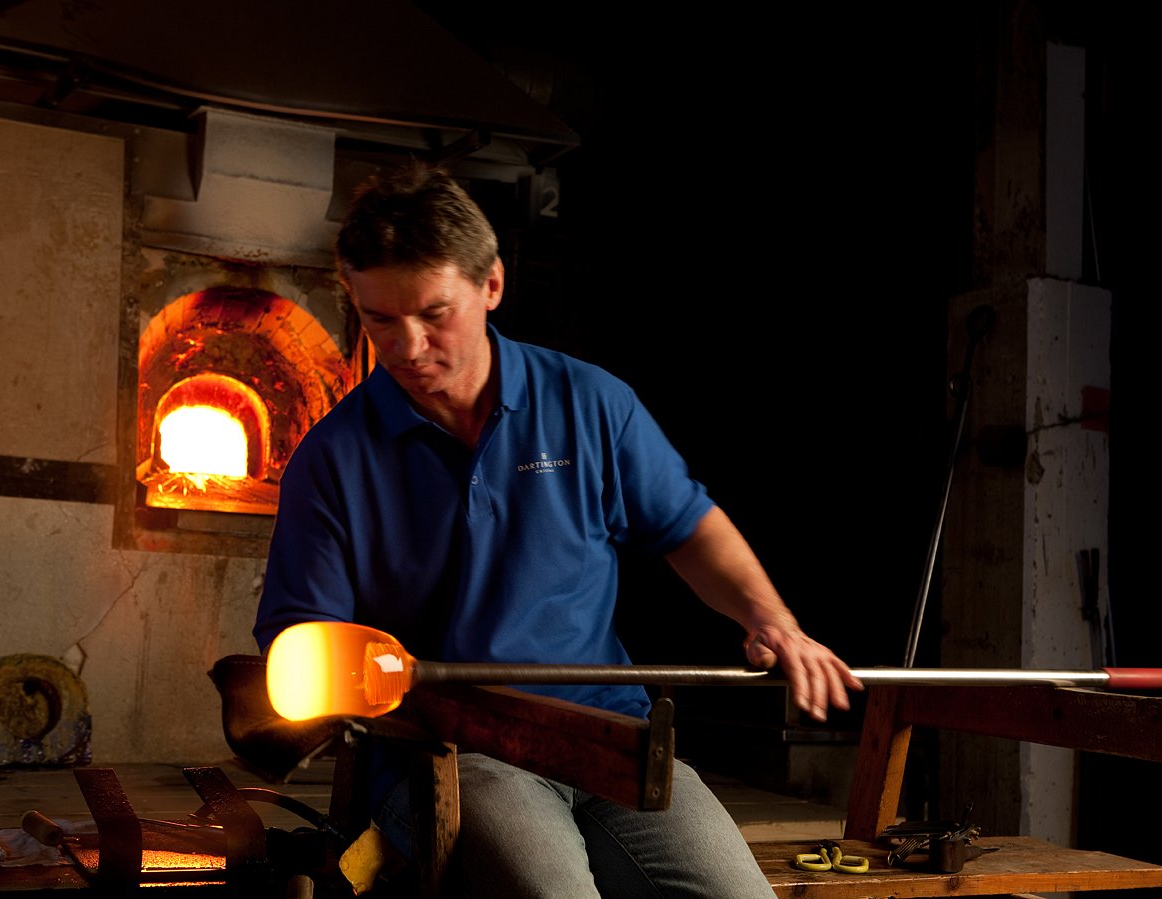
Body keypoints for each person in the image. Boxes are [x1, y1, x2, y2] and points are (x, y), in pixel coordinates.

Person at [254, 160, 863, 898]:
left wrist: (775, 621)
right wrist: (352, 669)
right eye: (381, 318)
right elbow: (296, 642)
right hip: (453, 752)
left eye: (433, 313)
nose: (409, 346)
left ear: (491, 287)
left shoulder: (590, 402)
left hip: (607, 738)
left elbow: (688, 526)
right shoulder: (332, 458)